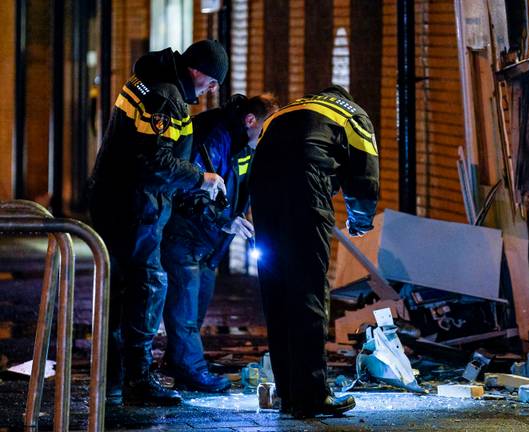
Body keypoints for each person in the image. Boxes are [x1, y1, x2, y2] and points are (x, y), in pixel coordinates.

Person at [88, 40, 229, 406]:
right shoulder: (167, 96)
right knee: (147, 285)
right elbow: (154, 163)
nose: (212, 90)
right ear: (197, 70)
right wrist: (202, 178)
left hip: (120, 202)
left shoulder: (151, 81)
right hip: (136, 207)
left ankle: (115, 376)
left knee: (122, 290)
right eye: (212, 81)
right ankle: (139, 379)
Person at [250, 85, 380, 418]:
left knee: (277, 289)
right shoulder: (353, 115)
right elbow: (365, 171)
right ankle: (312, 394)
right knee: (308, 286)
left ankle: (289, 392)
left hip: (261, 185)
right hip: (304, 184)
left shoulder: (288, 110)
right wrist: (361, 220)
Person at [160, 93, 278, 392]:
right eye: (265, 129)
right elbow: (194, 189)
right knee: (184, 304)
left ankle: (182, 362)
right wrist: (224, 221)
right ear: (250, 120)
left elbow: (242, 189)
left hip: (209, 241)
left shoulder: (245, 144)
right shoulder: (216, 136)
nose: (265, 138)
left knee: (195, 301)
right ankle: (190, 369)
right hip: (186, 231)